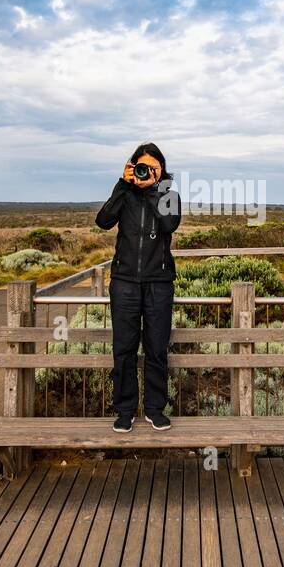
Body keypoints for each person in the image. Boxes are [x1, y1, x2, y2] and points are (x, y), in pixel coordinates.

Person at [95, 143, 182, 432]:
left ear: (161, 170)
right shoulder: (126, 194)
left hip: (158, 284)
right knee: (124, 348)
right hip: (125, 283)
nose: (148, 172)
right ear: (133, 167)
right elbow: (104, 221)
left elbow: (169, 224)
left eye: (153, 168)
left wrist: (155, 188)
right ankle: (125, 410)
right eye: (142, 166)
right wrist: (123, 184)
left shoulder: (169, 195)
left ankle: (155, 409)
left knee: (157, 348)